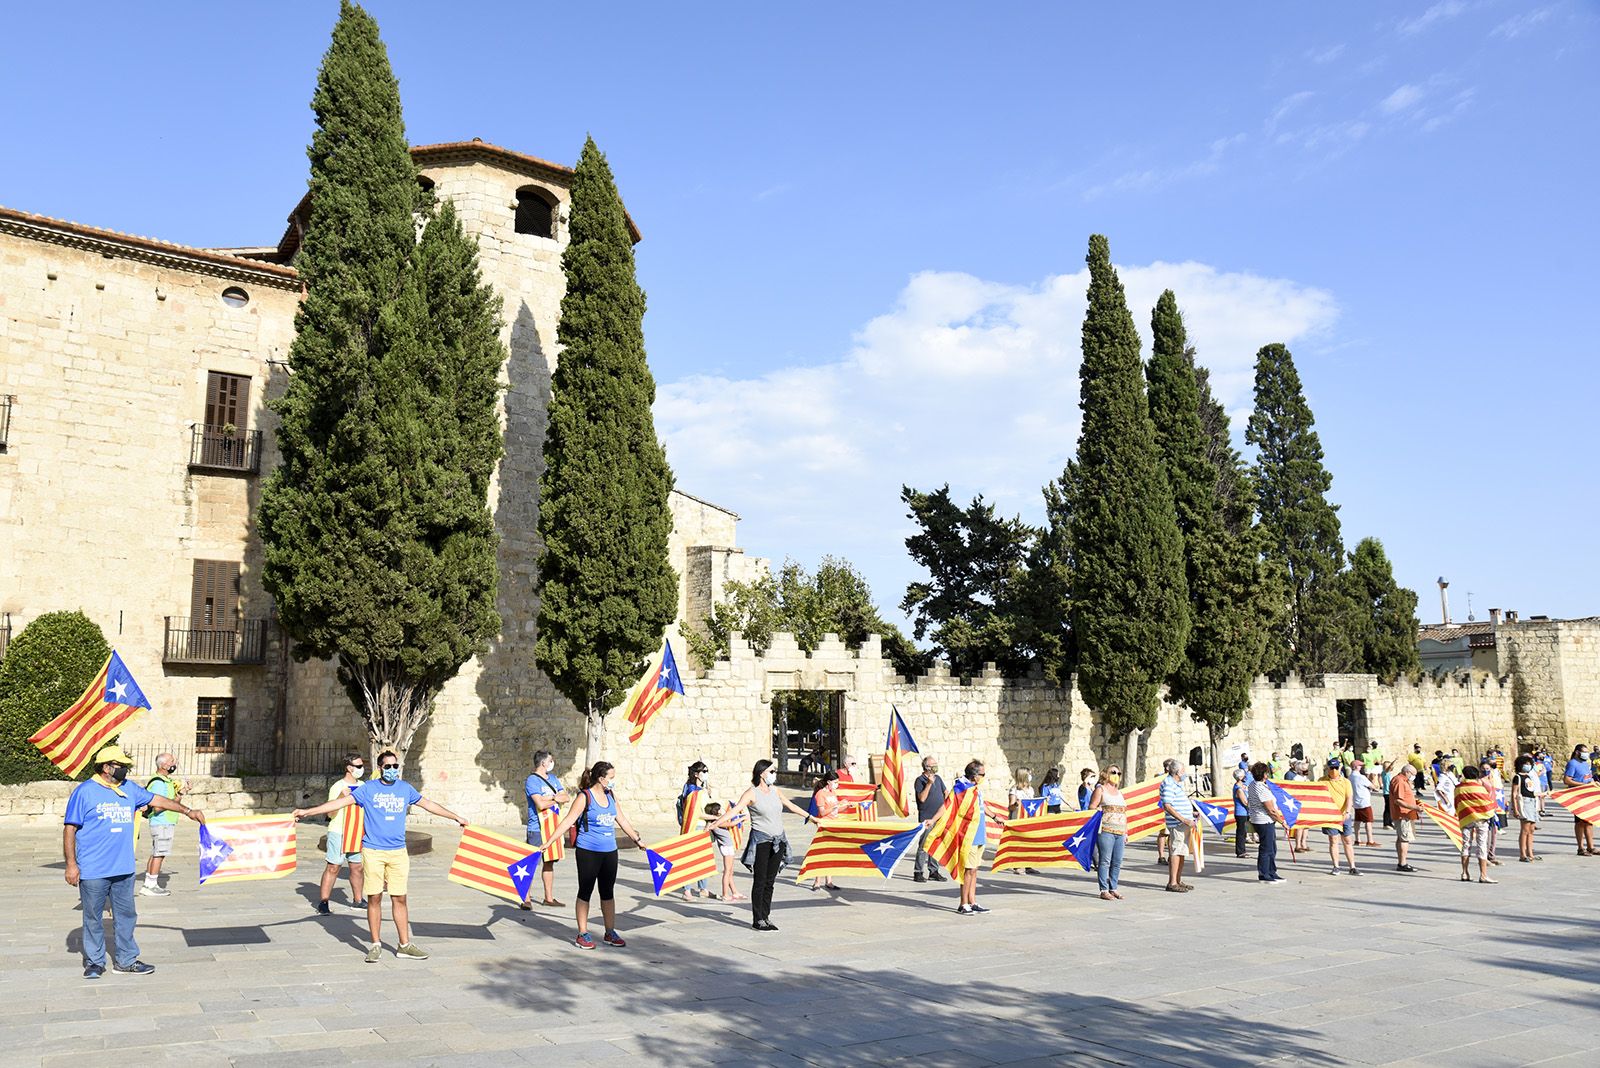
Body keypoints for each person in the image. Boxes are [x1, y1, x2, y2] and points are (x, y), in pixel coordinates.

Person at [291, 750, 469, 962]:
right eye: (388, 767)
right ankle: (375, 944)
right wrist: (306, 811)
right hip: (373, 851)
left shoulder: (405, 789)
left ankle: (404, 945)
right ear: (380, 769)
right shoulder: (369, 789)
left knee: (400, 898)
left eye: (396, 766)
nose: (392, 770)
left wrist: (455, 817)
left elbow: (428, 804)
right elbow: (338, 804)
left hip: (398, 853)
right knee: (374, 898)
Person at [64, 744, 205, 978]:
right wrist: (71, 864)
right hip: (93, 869)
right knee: (93, 918)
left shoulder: (129, 788)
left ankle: (126, 960)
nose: (125, 770)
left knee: (126, 916)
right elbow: (70, 828)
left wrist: (188, 811)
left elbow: (157, 799)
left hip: (124, 868)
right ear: (106, 767)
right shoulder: (85, 792)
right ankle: (95, 962)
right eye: (121, 766)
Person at [545, 761, 647, 949]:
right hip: (588, 851)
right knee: (585, 891)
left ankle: (610, 932)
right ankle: (582, 934)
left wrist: (637, 840)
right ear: (601, 779)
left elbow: (622, 819)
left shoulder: (611, 795)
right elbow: (568, 821)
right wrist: (549, 842)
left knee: (607, 892)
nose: (613, 782)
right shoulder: (585, 797)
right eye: (611, 778)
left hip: (609, 851)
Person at [724, 759, 812, 931]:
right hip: (761, 841)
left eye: (775, 771)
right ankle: (757, 919)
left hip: (778, 841)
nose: (774, 774)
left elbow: (791, 806)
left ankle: (766, 916)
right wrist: (715, 823)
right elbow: (735, 810)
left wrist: (812, 818)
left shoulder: (775, 791)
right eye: (772, 772)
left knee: (770, 881)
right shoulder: (751, 793)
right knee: (760, 880)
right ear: (761, 773)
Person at [317, 751, 367, 915]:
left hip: (357, 832)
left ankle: (358, 900)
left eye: (362, 765)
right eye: (358, 766)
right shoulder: (337, 787)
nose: (362, 768)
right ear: (349, 768)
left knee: (357, 867)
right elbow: (330, 814)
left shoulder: (363, 786)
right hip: (339, 832)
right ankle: (324, 902)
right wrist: (340, 797)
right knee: (333, 867)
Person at [521, 749, 570, 911]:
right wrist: (556, 798)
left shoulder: (554, 779)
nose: (552, 763)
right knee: (532, 863)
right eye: (550, 761)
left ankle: (548, 898)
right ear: (543, 763)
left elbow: (566, 797)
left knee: (549, 863)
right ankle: (525, 899)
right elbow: (539, 804)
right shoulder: (532, 781)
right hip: (537, 828)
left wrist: (551, 798)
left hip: (553, 827)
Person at [953, 760, 1000, 914]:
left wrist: (994, 816)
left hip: (980, 833)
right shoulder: (962, 789)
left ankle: (972, 901)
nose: (984, 777)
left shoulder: (976, 789)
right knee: (968, 870)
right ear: (975, 775)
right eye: (982, 774)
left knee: (975, 869)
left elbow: (982, 805)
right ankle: (963, 903)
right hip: (969, 835)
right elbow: (951, 807)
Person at [139, 752, 185, 897]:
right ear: (164, 765)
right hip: (162, 822)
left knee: (157, 852)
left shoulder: (166, 781)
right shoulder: (159, 783)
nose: (174, 763)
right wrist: (173, 800)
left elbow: (171, 803)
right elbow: (159, 806)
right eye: (172, 760)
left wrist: (181, 794)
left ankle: (149, 883)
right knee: (160, 853)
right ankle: (151, 885)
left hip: (165, 822)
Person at [1087, 763, 1127, 900]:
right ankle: (1104, 889)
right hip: (1106, 830)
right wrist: (1097, 810)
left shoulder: (1120, 793)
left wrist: (1126, 832)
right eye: (1113, 772)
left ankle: (1113, 887)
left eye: (1118, 773)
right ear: (1106, 774)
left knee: (1117, 861)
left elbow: (1124, 813)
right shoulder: (1101, 789)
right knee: (1105, 861)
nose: (1116, 775)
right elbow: (1091, 806)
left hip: (1120, 831)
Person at [1159, 758, 1197, 892]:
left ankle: (1178, 880)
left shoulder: (1176, 784)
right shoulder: (1169, 784)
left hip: (1184, 823)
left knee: (1182, 852)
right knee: (1176, 851)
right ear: (1178, 772)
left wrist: (1191, 813)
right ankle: (1172, 882)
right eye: (1183, 771)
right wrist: (1184, 819)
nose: (1184, 773)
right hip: (1177, 824)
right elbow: (1167, 806)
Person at [1246, 762, 1287, 884]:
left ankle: (1272, 871)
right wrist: (1282, 821)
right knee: (1266, 848)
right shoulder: (1261, 788)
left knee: (1271, 847)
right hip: (1263, 820)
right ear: (1264, 774)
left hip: (1262, 819)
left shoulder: (1253, 785)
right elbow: (1271, 810)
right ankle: (1264, 874)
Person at [1456, 765, 1497, 883]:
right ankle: (1483, 875)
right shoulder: (1479, 788)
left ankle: (1464, 873)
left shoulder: (1458, 788)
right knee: (1481, 845)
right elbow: (1487, 803)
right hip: (1480, 819)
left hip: (1466, 818)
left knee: (1465, 845)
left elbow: (1457, 803)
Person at [678, 761, 711, 900]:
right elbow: (696, 813)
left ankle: (703, 888)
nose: (706, 774)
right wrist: (715, 817)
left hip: (703, 826)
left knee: (702, 859)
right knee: (689, 859)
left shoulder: (699, 790)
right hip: (694, 826)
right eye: (704, 771)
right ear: (696, 774)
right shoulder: (692, 790)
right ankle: (686, 890)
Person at [913, 756, 948, 883]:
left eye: (935, 763)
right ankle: (918, 872)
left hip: (938, 817)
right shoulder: (920, 780)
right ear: (926, 767)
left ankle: (933, 870)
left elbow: (945, 792)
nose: (935, 766)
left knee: (936, 844)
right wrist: (928, 784)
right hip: (926, 818)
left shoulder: (938, 778)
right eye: (932, 764)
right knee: (923, 845)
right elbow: (921, 798)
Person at [1323, 758, 1360, 876]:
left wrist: (1348, 812)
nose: (1334, 770)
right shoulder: (1322, 781)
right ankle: (1336, 866)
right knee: (1333, 840)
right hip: (1330, 816)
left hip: (1344, 815)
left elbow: (1349, 798)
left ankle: (1352, 866)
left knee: (1347, 840)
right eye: (1331, 768)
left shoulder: (1346, 782)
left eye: (1336, 768)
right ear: (1327, 768)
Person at [808, 770, 842, 891]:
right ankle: (817, 881)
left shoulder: (833, 793)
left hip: (834, 824)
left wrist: (844, 806)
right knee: (821, 854)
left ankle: (829, 880)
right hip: (824, 825)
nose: (837, 784)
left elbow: (835, 810)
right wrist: (835, 806)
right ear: (828, 782)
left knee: (831, 854)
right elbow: (822, 812)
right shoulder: (821, 794)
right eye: (835, 782)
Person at [704, 802, 743, 901]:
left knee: (730, 871)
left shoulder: (716, 821)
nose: (722, 810)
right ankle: (725, 894)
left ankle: (734, 892)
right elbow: (731, 823)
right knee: (727, 871)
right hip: (726, 848)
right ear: (716, 811)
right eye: (720, 809)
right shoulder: (717, 822)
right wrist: (743, 818)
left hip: (728, 847)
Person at [1388, 757, 1420, 873]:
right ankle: (1402, 863)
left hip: (1405, 814)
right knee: (1404, 839)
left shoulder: (1403, 781)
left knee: (1401, 837)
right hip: (1402, 814)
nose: (1413, 777)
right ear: (1407, 772)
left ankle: (1401, 861)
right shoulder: (1399, 781)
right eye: (1413, 774)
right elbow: (1399, 800)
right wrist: (1415, 807)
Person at [1561, 744, 1594, 856]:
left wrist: (1593, 783)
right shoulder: (1572, 763)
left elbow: (1588, 777)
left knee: (1589, 821)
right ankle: (1581, 847)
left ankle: (1591, 846)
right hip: (1578, 796)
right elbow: (1567, 780)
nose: (1586, 754)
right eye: (1584, 751)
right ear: (1577, 752)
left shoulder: (1585, 763)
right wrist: (1583, 785)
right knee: (1580, 822)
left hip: (1588, 796)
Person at [1511, 755, 1542, 862]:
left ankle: (1530, 853)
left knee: (1531, 829)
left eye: (1529, 764)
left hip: (1532, 802)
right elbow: (1514, 793)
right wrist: (1515, 809)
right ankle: (1522, 854)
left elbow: (1530, 790)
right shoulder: (1518, 777)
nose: (1528, 766)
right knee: (1525, 829)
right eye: (1526, 764)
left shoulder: (1529, 776)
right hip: (1524, 803)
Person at [1349, 758, 1377, 848]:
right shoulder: (1361, 777)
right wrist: (1373, 782)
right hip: (1364, 802)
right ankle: (1370, 840)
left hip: (1356, 801)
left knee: (1357, 821)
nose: (1361, 767)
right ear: (1356, 767)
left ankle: (1357, 839)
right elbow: (1373, 787)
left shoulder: (1350, 777)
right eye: (1360, 765)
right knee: (1368, 821)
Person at [1231, 768, 1250, 858]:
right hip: (1241, 813)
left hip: (1245, 813)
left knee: (1244, 832)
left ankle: (1243, 850)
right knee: (1241, 833)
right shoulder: (1238, 789)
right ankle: (1240, 851)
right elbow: (1245, 802)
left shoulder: (1243, 786)